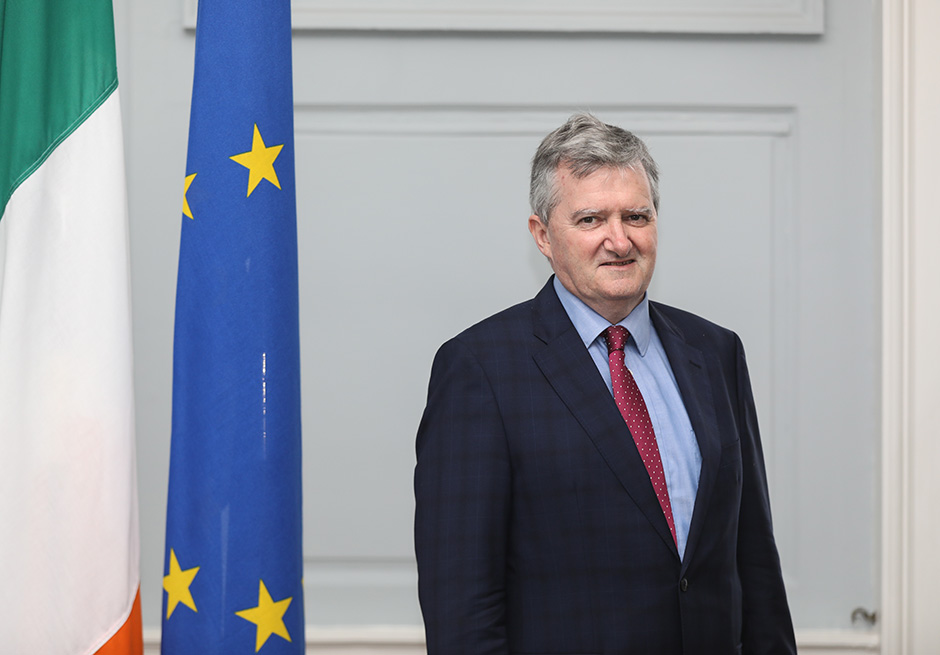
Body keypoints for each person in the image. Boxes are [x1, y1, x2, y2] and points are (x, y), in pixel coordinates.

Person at [414, 113, 796, 654]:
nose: (619, 240)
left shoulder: (715, 353)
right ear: (543, 235)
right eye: (591, 220)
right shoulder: (479, 369)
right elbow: (463, 607)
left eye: (636, 216)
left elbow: (753, 558)